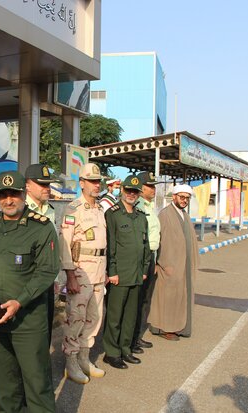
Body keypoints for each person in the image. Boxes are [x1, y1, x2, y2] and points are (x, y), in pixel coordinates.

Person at [0, 170, 60, 413]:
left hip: (28, 320)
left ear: (23, 194)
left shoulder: (41, 228)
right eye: (2, 195)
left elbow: (47, 271)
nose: (8, 200)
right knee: (4, 383)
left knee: (36, 382)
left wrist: (19, 302)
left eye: (14, 194)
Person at [59, 163, 107, 384]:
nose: (97, 185)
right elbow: (64, 243)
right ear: (82, 183)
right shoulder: (73, 208)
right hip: (80, 274)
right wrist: (69, 276)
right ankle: (71, 364)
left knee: (94, 320)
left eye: (98, 181)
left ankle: (85, 360)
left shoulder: (99, 209)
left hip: (98, 274)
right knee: (75, 320)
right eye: (92, 181)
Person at [102, 175, 151, 369]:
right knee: (115, 316)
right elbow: (110, 244)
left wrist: (145, 269)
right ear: (122, 190)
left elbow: (145, 245)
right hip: (119, 274)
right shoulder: (113, 214)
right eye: (128, 190)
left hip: (137, 274)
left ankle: (125, 349)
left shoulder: (140, 216)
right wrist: (111, 271)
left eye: (135, 191)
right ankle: (111, 352)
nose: (131, 194)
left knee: (130, 315)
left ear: (139, 194)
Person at [148, 184, 199, 341]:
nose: (184, 201)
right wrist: (159, 263)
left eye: (187, 198)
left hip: (183, 265)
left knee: (181, 296)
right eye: (182, 197)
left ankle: (179, 327)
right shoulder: (165, 214)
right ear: (174, 197)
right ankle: (165, 328)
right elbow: (157, 240)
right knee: (167, 297)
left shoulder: (184, 215)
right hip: (169, 266)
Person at [25, 163, 58, 344]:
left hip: (47, 279)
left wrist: (56, 278)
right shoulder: (21, 211)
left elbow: (54, 246)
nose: (47, 188)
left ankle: (41, 369)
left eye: (48, 184)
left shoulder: (50, 210)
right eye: (42, 184)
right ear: (28, 185)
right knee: (30, 331)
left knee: (46, 327)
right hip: (28, 280)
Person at [131, 171, 161, 353]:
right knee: (137, 300)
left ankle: (137, 337)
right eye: (150, 186)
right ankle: (132, 339)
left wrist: (155, 261)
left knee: (144, 301)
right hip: (141, 257)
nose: (154, 189)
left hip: (151, 257)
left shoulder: (150, 206)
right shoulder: (138, 206)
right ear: (141, 188)